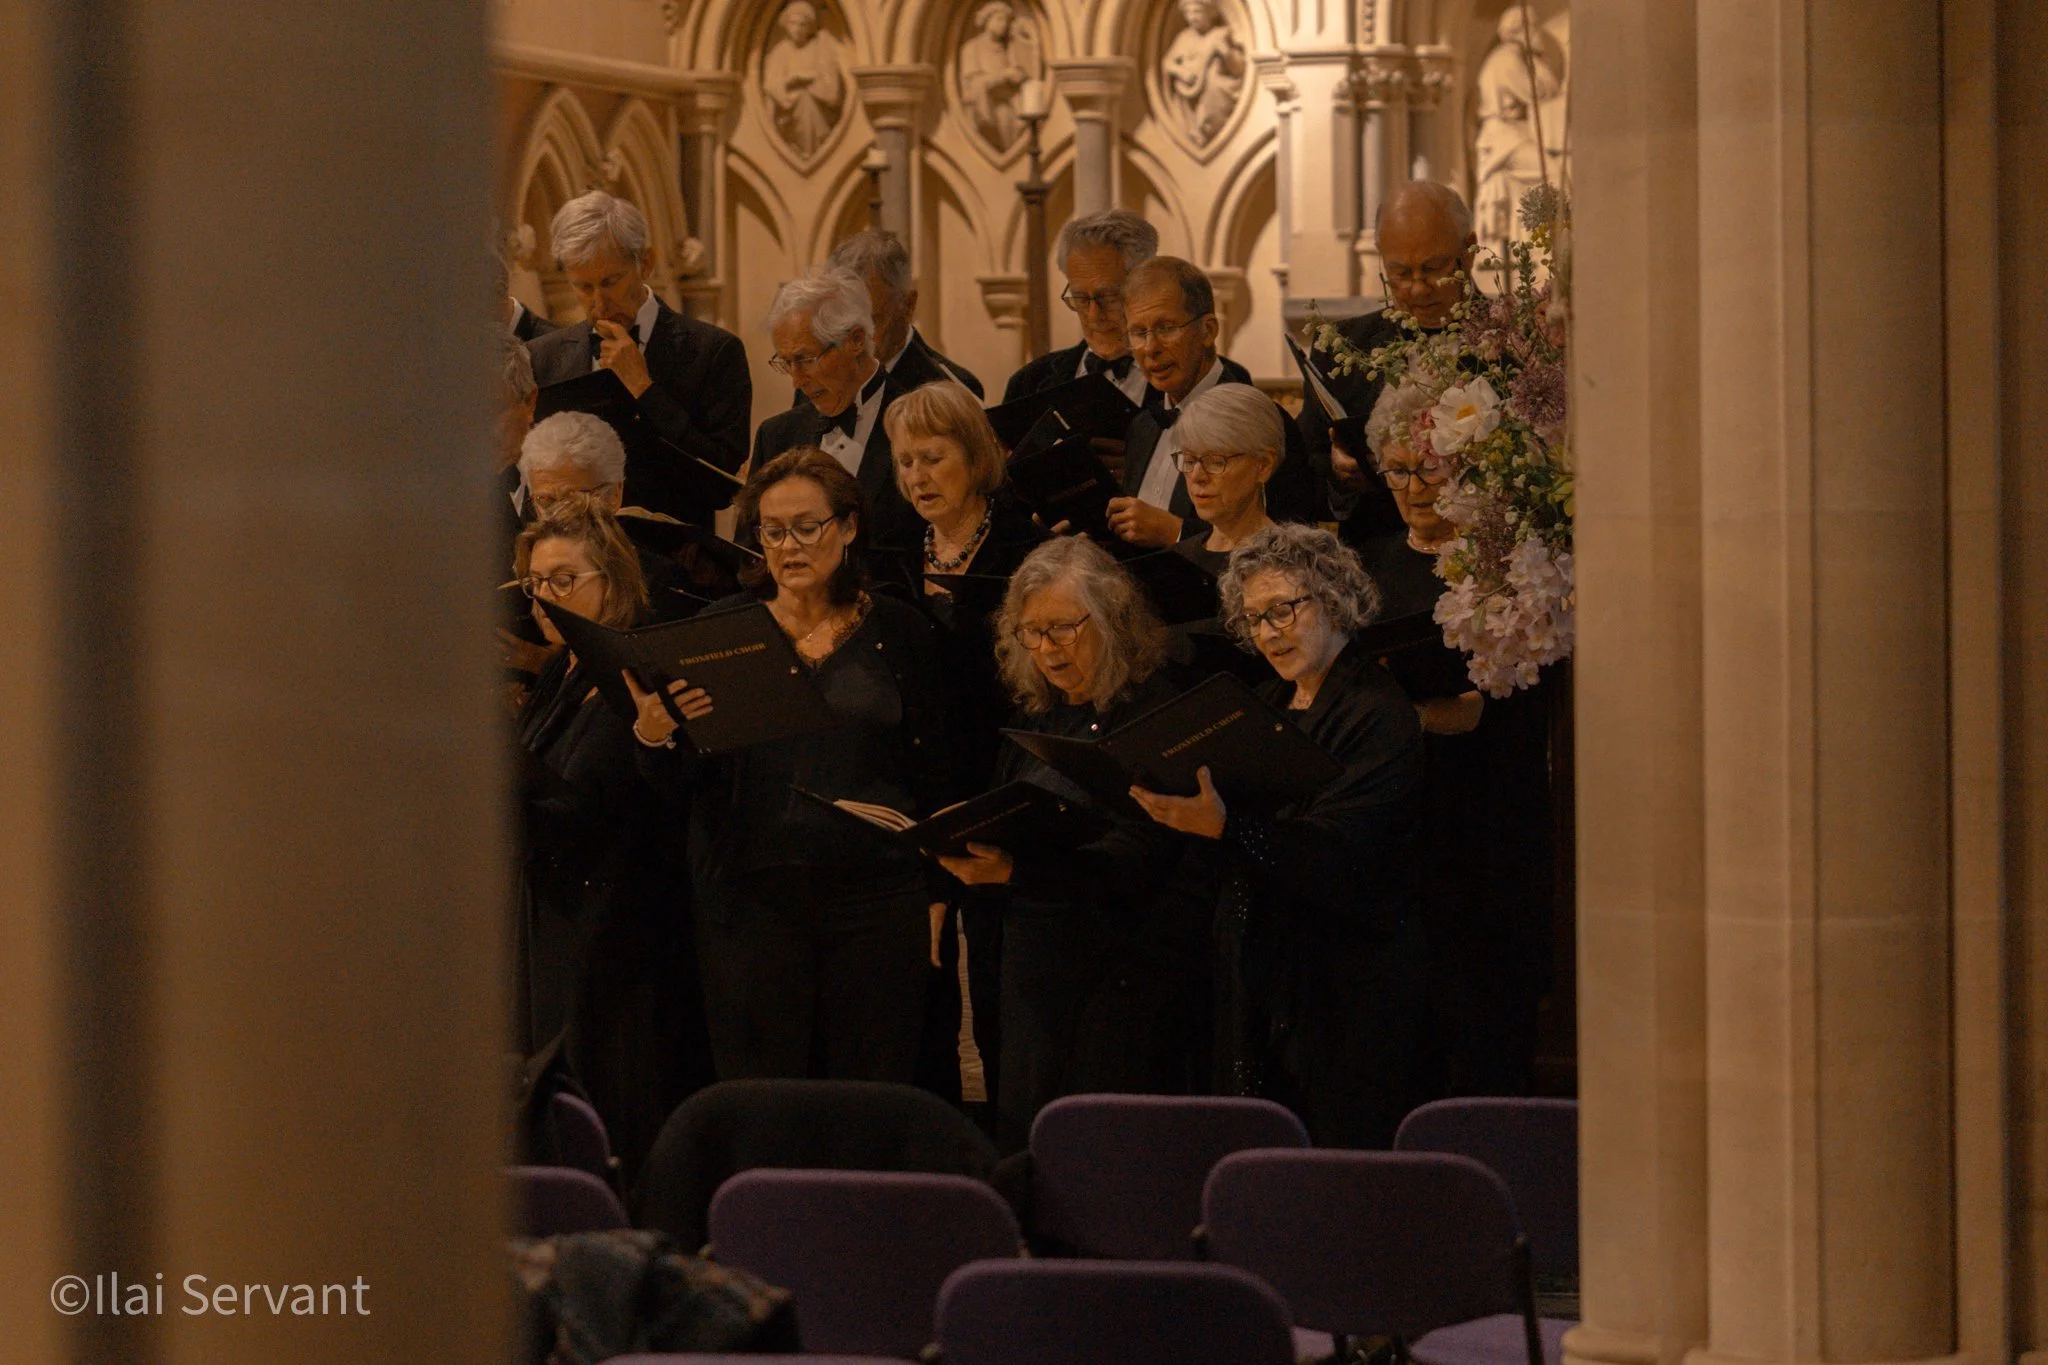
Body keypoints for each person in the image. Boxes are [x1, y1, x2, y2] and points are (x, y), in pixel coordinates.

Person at [627, 448, 957, 1087]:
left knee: (870, 1093)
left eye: (807, 527)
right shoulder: (718, 631)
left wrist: (940, 895)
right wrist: (652, 735)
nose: (789, 545)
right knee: (765, 1097)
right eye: (772, 532)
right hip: (752, 906)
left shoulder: (902, 630)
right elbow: (680, 788)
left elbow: (938, 772)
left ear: (849, 527)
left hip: (876, 902)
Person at [1129, 523, 1426, 1147]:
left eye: (1284, 610)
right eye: (1254, 618)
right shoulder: (1263, 701)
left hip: (1341, 982)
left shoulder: (1379, 710)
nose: (1267, 632)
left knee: (1334, 1155)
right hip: (1257, 966)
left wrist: (1228, 827)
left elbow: (1342, 854)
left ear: (1336, 598)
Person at [938, 537, 1208, 1151]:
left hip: (1123, 977)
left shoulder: (1155, 712)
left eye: (1061, 628)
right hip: (1036, 973)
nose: (1045, 650)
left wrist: (1018, 873)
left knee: (1107, 1151)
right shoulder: (1041, 716)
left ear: (1111, 620)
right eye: (1029, 634)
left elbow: (1140, 855)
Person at [1359, 382, 1556, 1097]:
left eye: (1430, 468)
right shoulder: (1368, 564)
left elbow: (1500, 706)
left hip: (1485, 831)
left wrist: (1406, 713)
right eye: (1398, 470)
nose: (1413, 487)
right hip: (1397, 835)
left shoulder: (1506, 566)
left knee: (1483, 1045)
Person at [511, 494, 710, 1178]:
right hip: (557, 917)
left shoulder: (642, 668)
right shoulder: (565, 672)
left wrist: (650, 736)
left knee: (613, 1113)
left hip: (622, 936)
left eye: (564, 579)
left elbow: (660, 797)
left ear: (613, 581)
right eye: (536, 582)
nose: (545, 597)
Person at [876, 381, 1048, 1112]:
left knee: (1008, 990)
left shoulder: (1025, 548)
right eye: (905, 461)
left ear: (975, 458)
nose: (916, 477)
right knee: (924, 985)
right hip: (916, 785)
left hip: (1003, 783)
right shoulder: (890, 554)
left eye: (932, 458)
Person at [526, 190, 752, 526]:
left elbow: (720, 486)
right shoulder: (543, 356)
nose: (598, 303)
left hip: (673, 561)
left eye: (610, 282)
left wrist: (644, 388)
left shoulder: (714, 351)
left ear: (645, 263)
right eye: (584, 288)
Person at [1300, 180, 1481, 544]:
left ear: (1471, 250)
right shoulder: (1342, 349)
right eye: (1400, 273)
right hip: (1379, 564)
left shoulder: (1519, 337)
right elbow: (1305, 479)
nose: (1417, 288)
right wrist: (1340, 476)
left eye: (1432, 269)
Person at [1110, 256, 1315, 548]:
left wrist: (1177, 533)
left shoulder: (1261, 422)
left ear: (1208, 330)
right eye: (1138, 333)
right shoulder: (1143, 426)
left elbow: (1289, 544)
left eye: (1166, 328)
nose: (1150, 348)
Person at [753, 266, 923, 550]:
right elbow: (752, 549)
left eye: (805, 359)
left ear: (855, 340)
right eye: (786, 363)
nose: (796, 381)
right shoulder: (776, 436)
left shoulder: (919, 425)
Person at [1001, 210, 1158, 406]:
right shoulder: (1030, 383)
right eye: (1081, 298)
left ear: (1144, 288)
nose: (1093, 315)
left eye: (1108, 297)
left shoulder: (1176, 379)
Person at [827, 229, 983, 397]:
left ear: (909, 305)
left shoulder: (952, 390)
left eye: (871, 322)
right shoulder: (818, 382)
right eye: (843, 326)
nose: (853, 344)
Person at [1167, 383, 1281, 577]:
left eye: (1215, 461)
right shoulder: (1176, 562)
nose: (1197, 476)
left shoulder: (1297, 562)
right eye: (1189, 460)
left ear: (1263, 465)